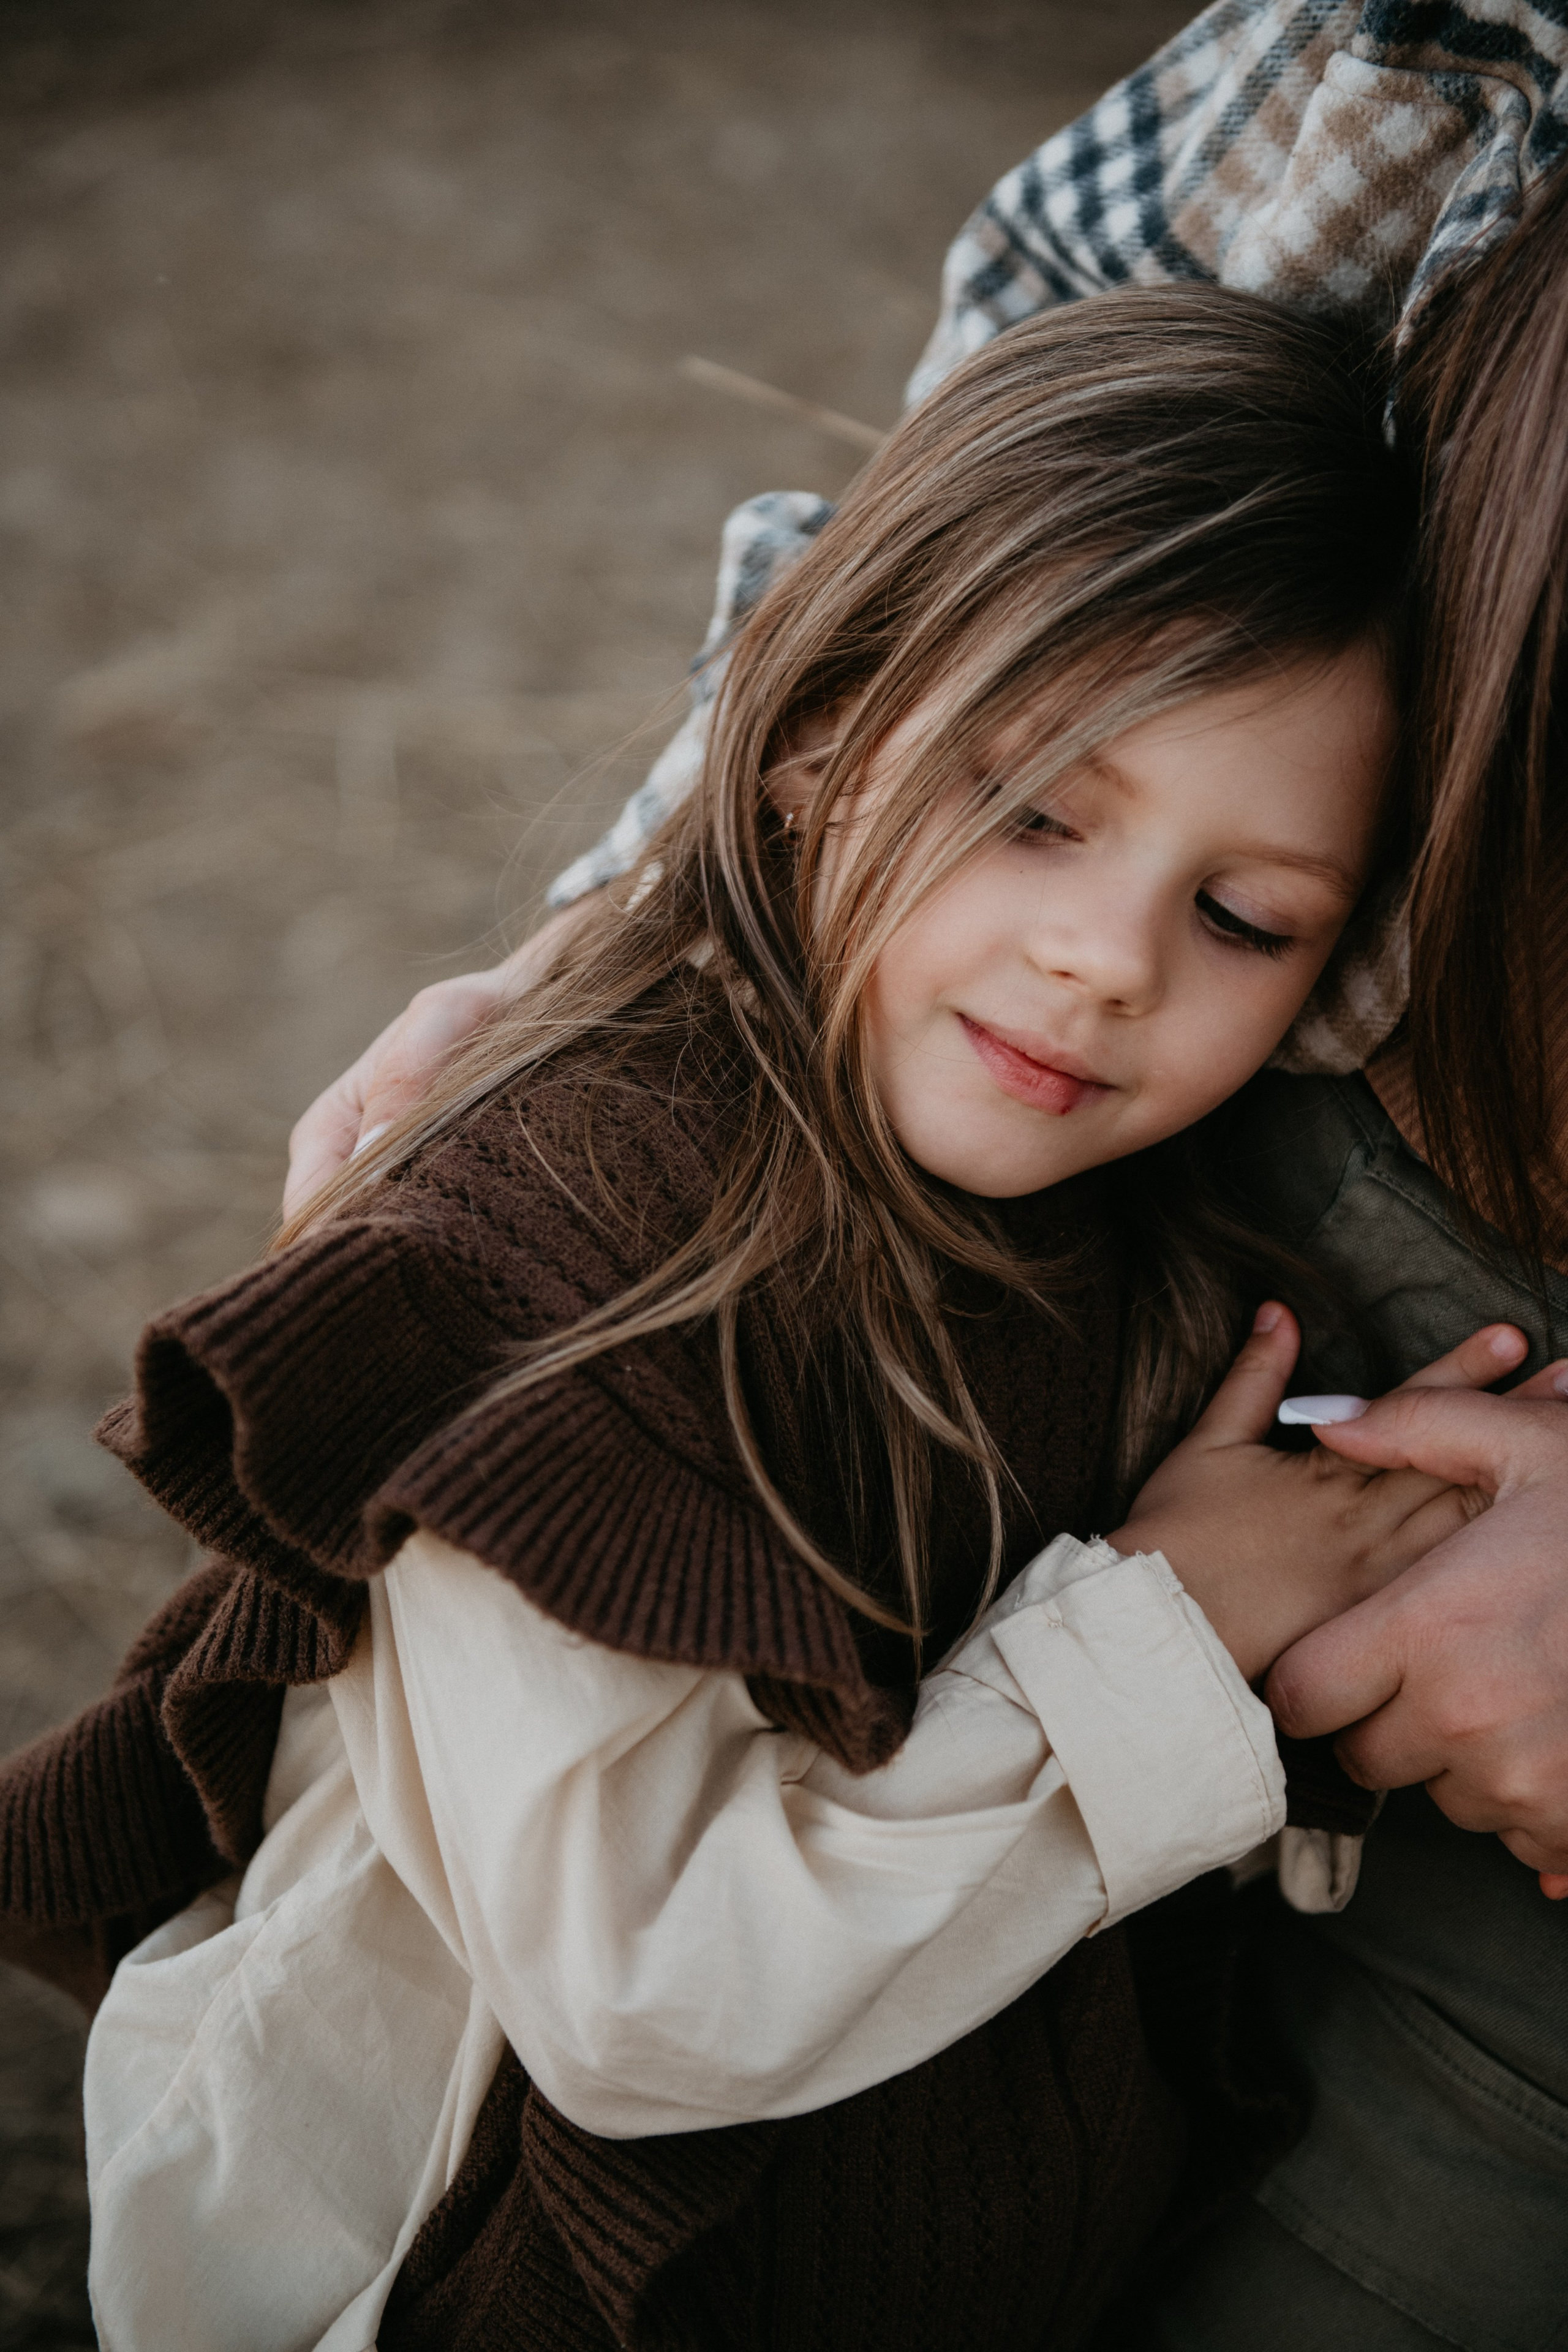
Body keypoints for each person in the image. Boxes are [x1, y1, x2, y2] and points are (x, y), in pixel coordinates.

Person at [0, 287, 1526, 2350]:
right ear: (810, 734)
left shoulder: (1119, 1243)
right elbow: (642, 2002)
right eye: (1035, 810)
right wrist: (1168, 1627)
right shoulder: (562, 1258)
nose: (1101, 958)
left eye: (1242, 918)